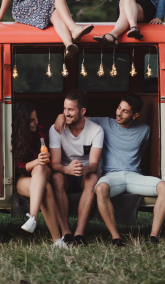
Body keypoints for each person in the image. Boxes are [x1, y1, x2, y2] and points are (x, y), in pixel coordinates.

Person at [54, 94, 165, 246]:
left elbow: (144, 152)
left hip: (134, 176)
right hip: (111, 176)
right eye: (118, 108)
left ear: (135, 115)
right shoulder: (104, 123)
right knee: (100, 188)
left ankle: (153, 238)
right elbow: (79, 117)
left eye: (125, 111)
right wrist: (60, 116)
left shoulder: (145, 130)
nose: (119, 113)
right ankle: (116, 238)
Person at [49, 90, 103, 246]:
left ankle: (79, 233)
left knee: (93, 178)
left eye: (70, 110)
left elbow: (94, 164)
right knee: (56, 178)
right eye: (64, 109)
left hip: (84, 172)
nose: (66, 113)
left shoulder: (96, 130)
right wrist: (67, 169)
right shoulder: (55, 129)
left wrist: (83, 169)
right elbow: (55, 165)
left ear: (82, 111)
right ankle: (66, 232)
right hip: (64, 172)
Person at [12, 101, 67, 248]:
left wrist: (39, 160)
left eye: (36, 118)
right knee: (46, 189)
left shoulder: (40, 131)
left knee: (40, 168)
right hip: (24, 178)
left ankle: (33, 217)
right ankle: (57, 241)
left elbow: (45, 162)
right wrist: (36, 161)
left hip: (44, 171)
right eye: (31, 120)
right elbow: (19, 168)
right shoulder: (16, 137)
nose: (36, 122)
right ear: (23, 122)